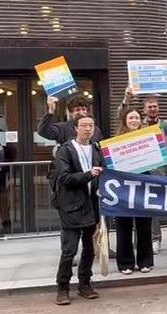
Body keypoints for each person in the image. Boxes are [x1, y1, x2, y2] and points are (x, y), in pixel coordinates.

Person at [120, 87, 167, 255]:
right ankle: (155, 239)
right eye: (149, 106)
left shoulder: (166, 125)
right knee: (151, 209)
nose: (152, 108)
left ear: (158, 108)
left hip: (165, 172)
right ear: (144, 109)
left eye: (155, 106)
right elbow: (121, 117)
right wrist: (126, 99)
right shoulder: (137, 124)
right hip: (146, 173)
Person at [53, 114, 103, 305]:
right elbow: (65, 178)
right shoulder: (65, 150)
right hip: (71, 206)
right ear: (75, 128)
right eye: (84, 125)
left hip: (92, 205)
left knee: (89, 248)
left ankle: (85, 284)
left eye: (91, 125)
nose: (88, 129)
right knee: (69, 250)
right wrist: (89, 174)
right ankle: (62, 287)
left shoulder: (97, 149)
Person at [114, 108, 154, 275]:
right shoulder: (117, 141)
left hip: (143, 186)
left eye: (137, 117)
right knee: (124, 226)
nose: (134, 120)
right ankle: (125, 263)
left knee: (144, 226)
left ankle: (145, 261)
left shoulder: (148, 138)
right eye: (131, 117)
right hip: (123, 188)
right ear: (125, 120)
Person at [38, 95, 104, 145]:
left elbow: (101, 148)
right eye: (77, 110)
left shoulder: (96, 130)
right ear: (71, 112)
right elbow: (43, 131)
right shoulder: (62, 128)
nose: (81, 112)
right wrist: (51, 111)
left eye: (83, 109)